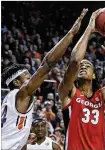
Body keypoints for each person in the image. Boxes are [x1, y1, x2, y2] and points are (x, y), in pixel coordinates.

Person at [1, 8, 88, 150]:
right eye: (27, 77)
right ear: (17, 82)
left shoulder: (7, 101)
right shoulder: (21, 94)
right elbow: (47, 64)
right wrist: (71, 33)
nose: (31, 79)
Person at [58, 9, 105, 150]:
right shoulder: (68, 92)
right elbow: (75, 61)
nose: (82, 67)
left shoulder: (102, 96)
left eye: (87, 66)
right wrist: (89, 29)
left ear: (94, 75)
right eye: (81, 66)